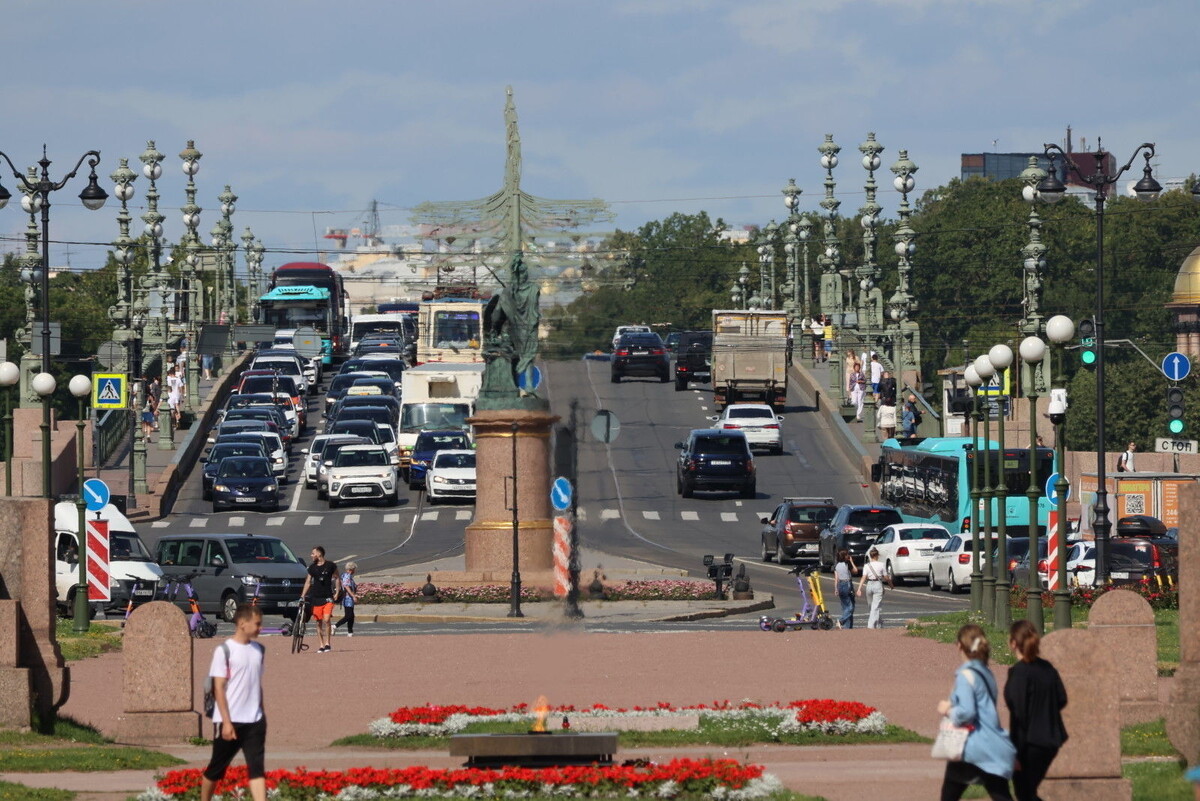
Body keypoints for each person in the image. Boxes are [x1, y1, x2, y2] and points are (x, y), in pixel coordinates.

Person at [937, 624, 1015, 800]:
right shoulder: (986, 673)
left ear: (959, 645)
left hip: (970, 745)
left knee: (949, 795)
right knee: (1000, 793)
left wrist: (948, 710)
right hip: (992, 742)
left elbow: (966, 712)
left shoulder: (965, 675)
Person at [201, 604, 267, 801]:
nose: (260, 628)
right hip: (229, 720)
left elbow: (257, 684)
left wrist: (261, 714)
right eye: (257, 624)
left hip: (254, 720)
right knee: (216, 769)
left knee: (256, 768)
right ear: (242, 623)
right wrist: (226, 722)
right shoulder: (225, 651)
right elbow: (219, 688)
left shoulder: (259, 650)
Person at [1005, 620, 1068, 801]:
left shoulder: (1019, 673)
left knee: (1024, 793)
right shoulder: (1047, 668)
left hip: (1029, 743)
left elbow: (1019, 714)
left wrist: (1015, 751)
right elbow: (1062, 699)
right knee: (1028, 792)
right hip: (1052, 739)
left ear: (1013, 643)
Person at [299, 546, 340, 653]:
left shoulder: (330, 565)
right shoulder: (312, 568)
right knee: (318, 622)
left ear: (319, 554)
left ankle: (328, 643)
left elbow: (337, 577)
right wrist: (303, 595)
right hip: (316, 598)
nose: (311, 555)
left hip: (328, 597)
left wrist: (337, 592)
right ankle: (321, 645)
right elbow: (308, 582)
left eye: (313, 553)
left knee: (326, 619)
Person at [856, 546, 891, 628]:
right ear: (877, 556)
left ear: (871, 556)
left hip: (869, 584)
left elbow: (863, 577)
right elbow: (886, 577)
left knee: (873, 606)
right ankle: (875, 625)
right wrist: (891, 584)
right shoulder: (881, 565)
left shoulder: (867, 566)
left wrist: (859, 588)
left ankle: (874, 625)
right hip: (877, 584)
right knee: (874, 607)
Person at [834, 549, 858, 629]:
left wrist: (836, 588)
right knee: (851, 607)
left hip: (841, 585)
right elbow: (856, 571)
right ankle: (841, 621)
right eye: (847, 554)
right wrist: (851, 561)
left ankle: (848, 627)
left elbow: (836, 579)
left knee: (846, 607)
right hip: (847, 584)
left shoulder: (837, 565)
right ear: (844, 556)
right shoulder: (847, 564)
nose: (848, 556)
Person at [333, 561, 359, 637]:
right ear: (351, 569)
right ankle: (335, 626)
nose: (354, 571)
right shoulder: (347, 576)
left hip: (348, 598)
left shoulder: (345, 575)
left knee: (351, 616)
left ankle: (350, 632)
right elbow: (347, 586)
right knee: (348, 615)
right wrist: (353, 596)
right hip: (348, 598)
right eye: (354, 569)